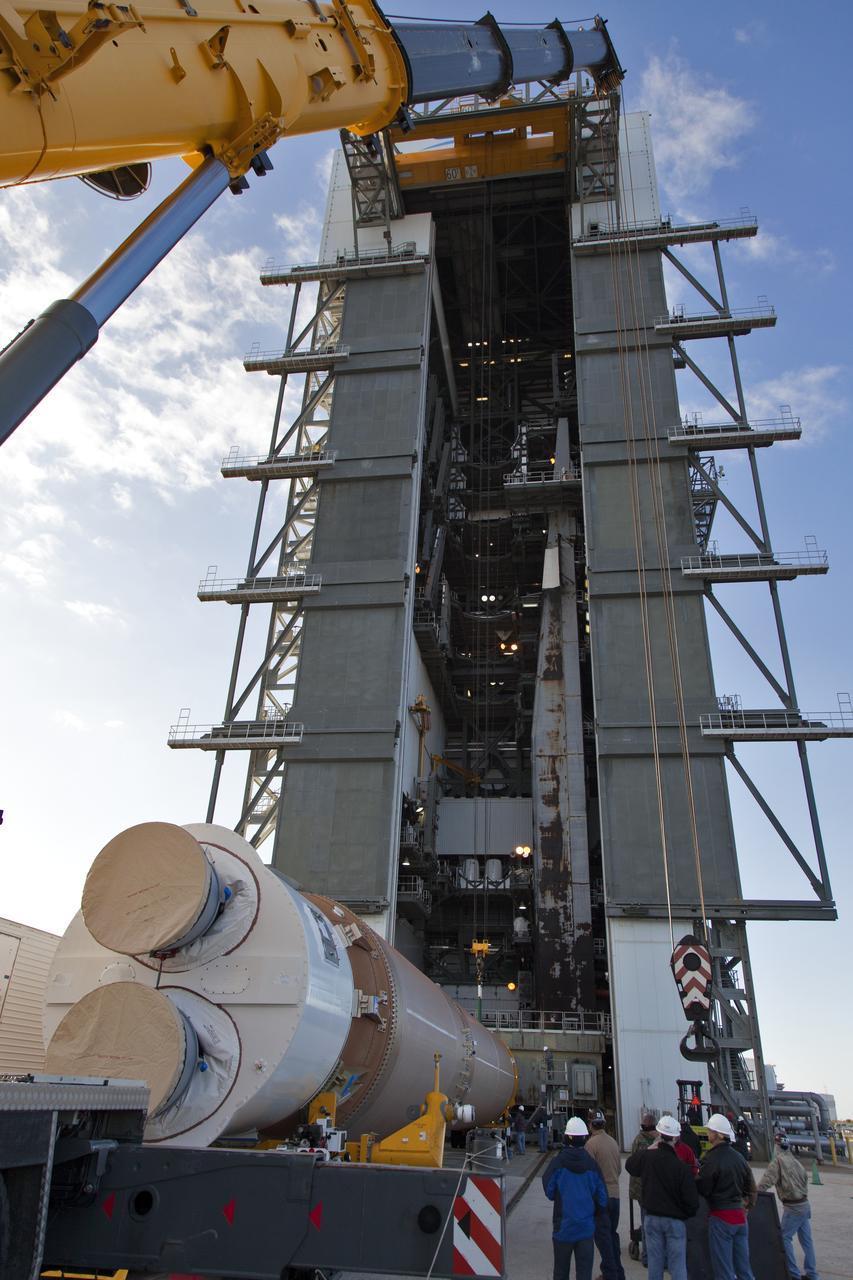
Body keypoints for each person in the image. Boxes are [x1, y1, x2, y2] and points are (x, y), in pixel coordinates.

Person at [625, 1115, 698, 1280]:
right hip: (675, 1221)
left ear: (658, 1134)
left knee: (655, 1264)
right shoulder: (681, 1167)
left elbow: (630, 1165)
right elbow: (692, 1202)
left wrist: (650, 1147)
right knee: (677, 1265)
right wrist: (683, 1215)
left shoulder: (648, 1158)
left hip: (652, 1218)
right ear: (676, 1137)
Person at [543, 1117, 609, 1280]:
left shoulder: (558, 1163)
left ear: (566, 1137)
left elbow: (549, 1191)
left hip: (563, 1230)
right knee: (584, 1274)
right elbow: (602, 1199)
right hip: (585, 1230)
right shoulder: (593, 1165)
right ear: (585, 1138)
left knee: (560, 1273)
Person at [697, 1113, 757, 1280]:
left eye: (709, 1131)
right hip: (740, 1218)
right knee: (744, 1269)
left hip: (721, 1218)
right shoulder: (739, 1158)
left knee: (724, 1271)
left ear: (716, 1134)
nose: (708, 1133)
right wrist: (747, 1207)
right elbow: (751, 1187)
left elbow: (704, 1187)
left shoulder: (711, 1159)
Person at [758, 1131, 820, 1280]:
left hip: (793, 1207)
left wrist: (752, 1194)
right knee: (807, 1240)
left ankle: (793, 1274)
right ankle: (812, 1274)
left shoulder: (778, 1162)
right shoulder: (796, 1162)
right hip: (805, 1204)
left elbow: (766, 1182)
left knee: (784, 1238)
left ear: (776, 1146)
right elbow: (805, 1180)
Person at [585, 1109, 625, 1280]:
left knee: (603, 1239)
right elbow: (619, 1170)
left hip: (601, 1198)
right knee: (612, 1235)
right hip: (615, 1196)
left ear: (590, 1124)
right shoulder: (613, 1142)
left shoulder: (591, 1145)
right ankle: (618, 1273)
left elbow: (589, 1174)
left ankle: (610, 1275)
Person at [628, 1113, 657, 1266]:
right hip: (652, 1189)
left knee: (647, 1222)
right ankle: (652, 1255)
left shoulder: (638, 1141)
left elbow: (632, 1163)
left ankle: (647, 1256)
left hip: (641, 1189)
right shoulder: (658, 1141)